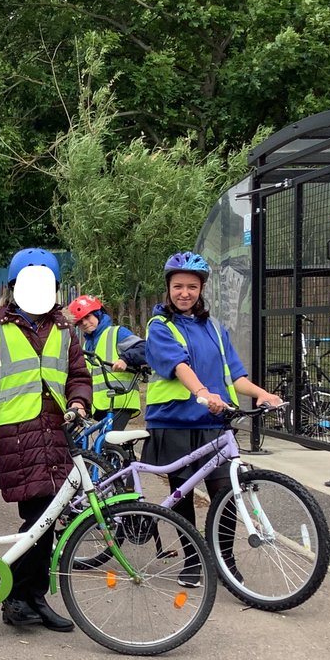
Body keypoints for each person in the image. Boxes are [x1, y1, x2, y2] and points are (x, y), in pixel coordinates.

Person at [0, 248, 92, 632]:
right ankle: (19, 598)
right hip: (20, 441)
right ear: (13, 289)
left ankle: (27, 596)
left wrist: (78, 401)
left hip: (56, 437)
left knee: (45, 523)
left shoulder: (65, 332)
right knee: (37, 521)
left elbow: (79, 377)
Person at [144, 251, 280, 586]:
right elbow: (179, 366)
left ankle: (225, 562)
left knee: (225, 494)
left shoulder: (214, 328)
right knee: (182, 496)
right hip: (174, 421)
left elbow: (234, 375)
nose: (185, 293)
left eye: (192, 286)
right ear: (169, 288)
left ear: (201, 289)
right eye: (178, 286)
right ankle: (192, 562)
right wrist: (204, 392)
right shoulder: (160, 325)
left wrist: (261, 393)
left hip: (213, 424)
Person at [67, 294, 147, 431]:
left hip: (120, 401)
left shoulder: (117, 333)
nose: (85, 323)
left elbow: (145, 349)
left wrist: (125, 359)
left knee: (107, 444)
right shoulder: (86, 346)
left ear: (98, 314)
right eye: (80, 322)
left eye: (88, 317)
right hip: (100, 405)